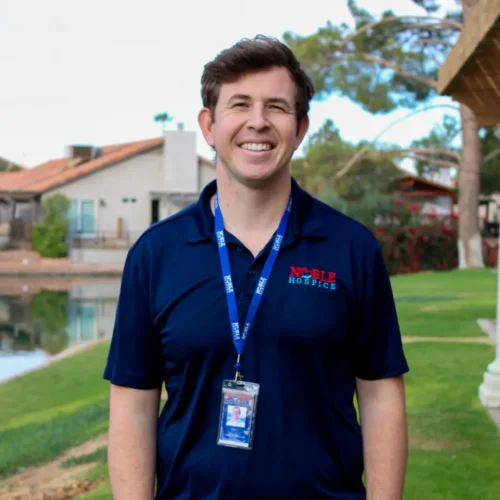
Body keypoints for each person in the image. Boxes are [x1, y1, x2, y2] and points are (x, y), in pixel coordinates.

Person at [104, 34, 410, 500]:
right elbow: (132, 406)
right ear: (209, 125)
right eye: (240, 105)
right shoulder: (156, 254)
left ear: (301, 127)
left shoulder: (351, 249)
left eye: (277, 108)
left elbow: (381, 396)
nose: (258, 122)